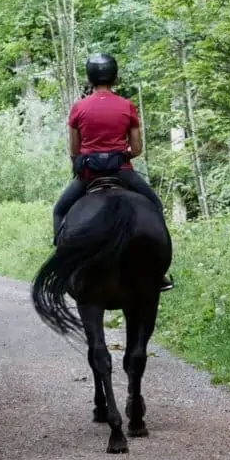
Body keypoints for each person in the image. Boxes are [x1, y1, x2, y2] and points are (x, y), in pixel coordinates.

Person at [53, 53, 174, 292]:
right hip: (122, 172)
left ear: (89, 79)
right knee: (155, 205)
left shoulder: (78, 108)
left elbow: (74, 150)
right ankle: (158, 273)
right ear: (115, 78)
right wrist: (120, 154)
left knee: (59, 210)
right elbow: (136, 148)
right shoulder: (126, 106)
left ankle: (63, 266)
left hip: (89, 175)